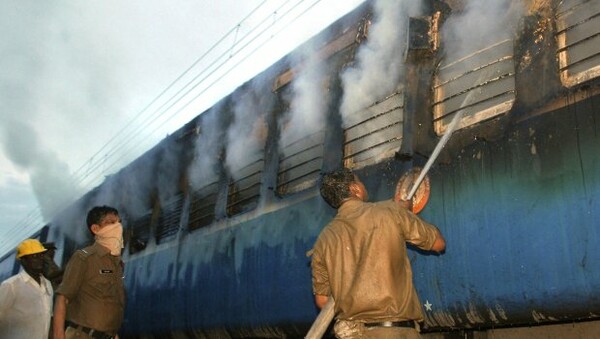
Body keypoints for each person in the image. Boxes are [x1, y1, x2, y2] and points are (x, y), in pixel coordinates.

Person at [310, 168, 446, 339]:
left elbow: (322, 301)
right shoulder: (389, 213)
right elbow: (439, 243)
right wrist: (404, 213)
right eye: (359, 181)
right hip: (394, 332)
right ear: (355, 189)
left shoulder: (323, 240)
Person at [53, 205, 126, 339]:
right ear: (95, 229)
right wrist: (58, 335)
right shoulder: (83, 258)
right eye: (111, 223)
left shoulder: (116, 263)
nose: (118, 227)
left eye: (119, 222)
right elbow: (62, 297)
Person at [0, 239, 53, 338]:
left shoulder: (48, 284)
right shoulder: (11, 286)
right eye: (34, 256)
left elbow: (47, 319)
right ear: (23, 261)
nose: (40, 259)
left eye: (41, 255)